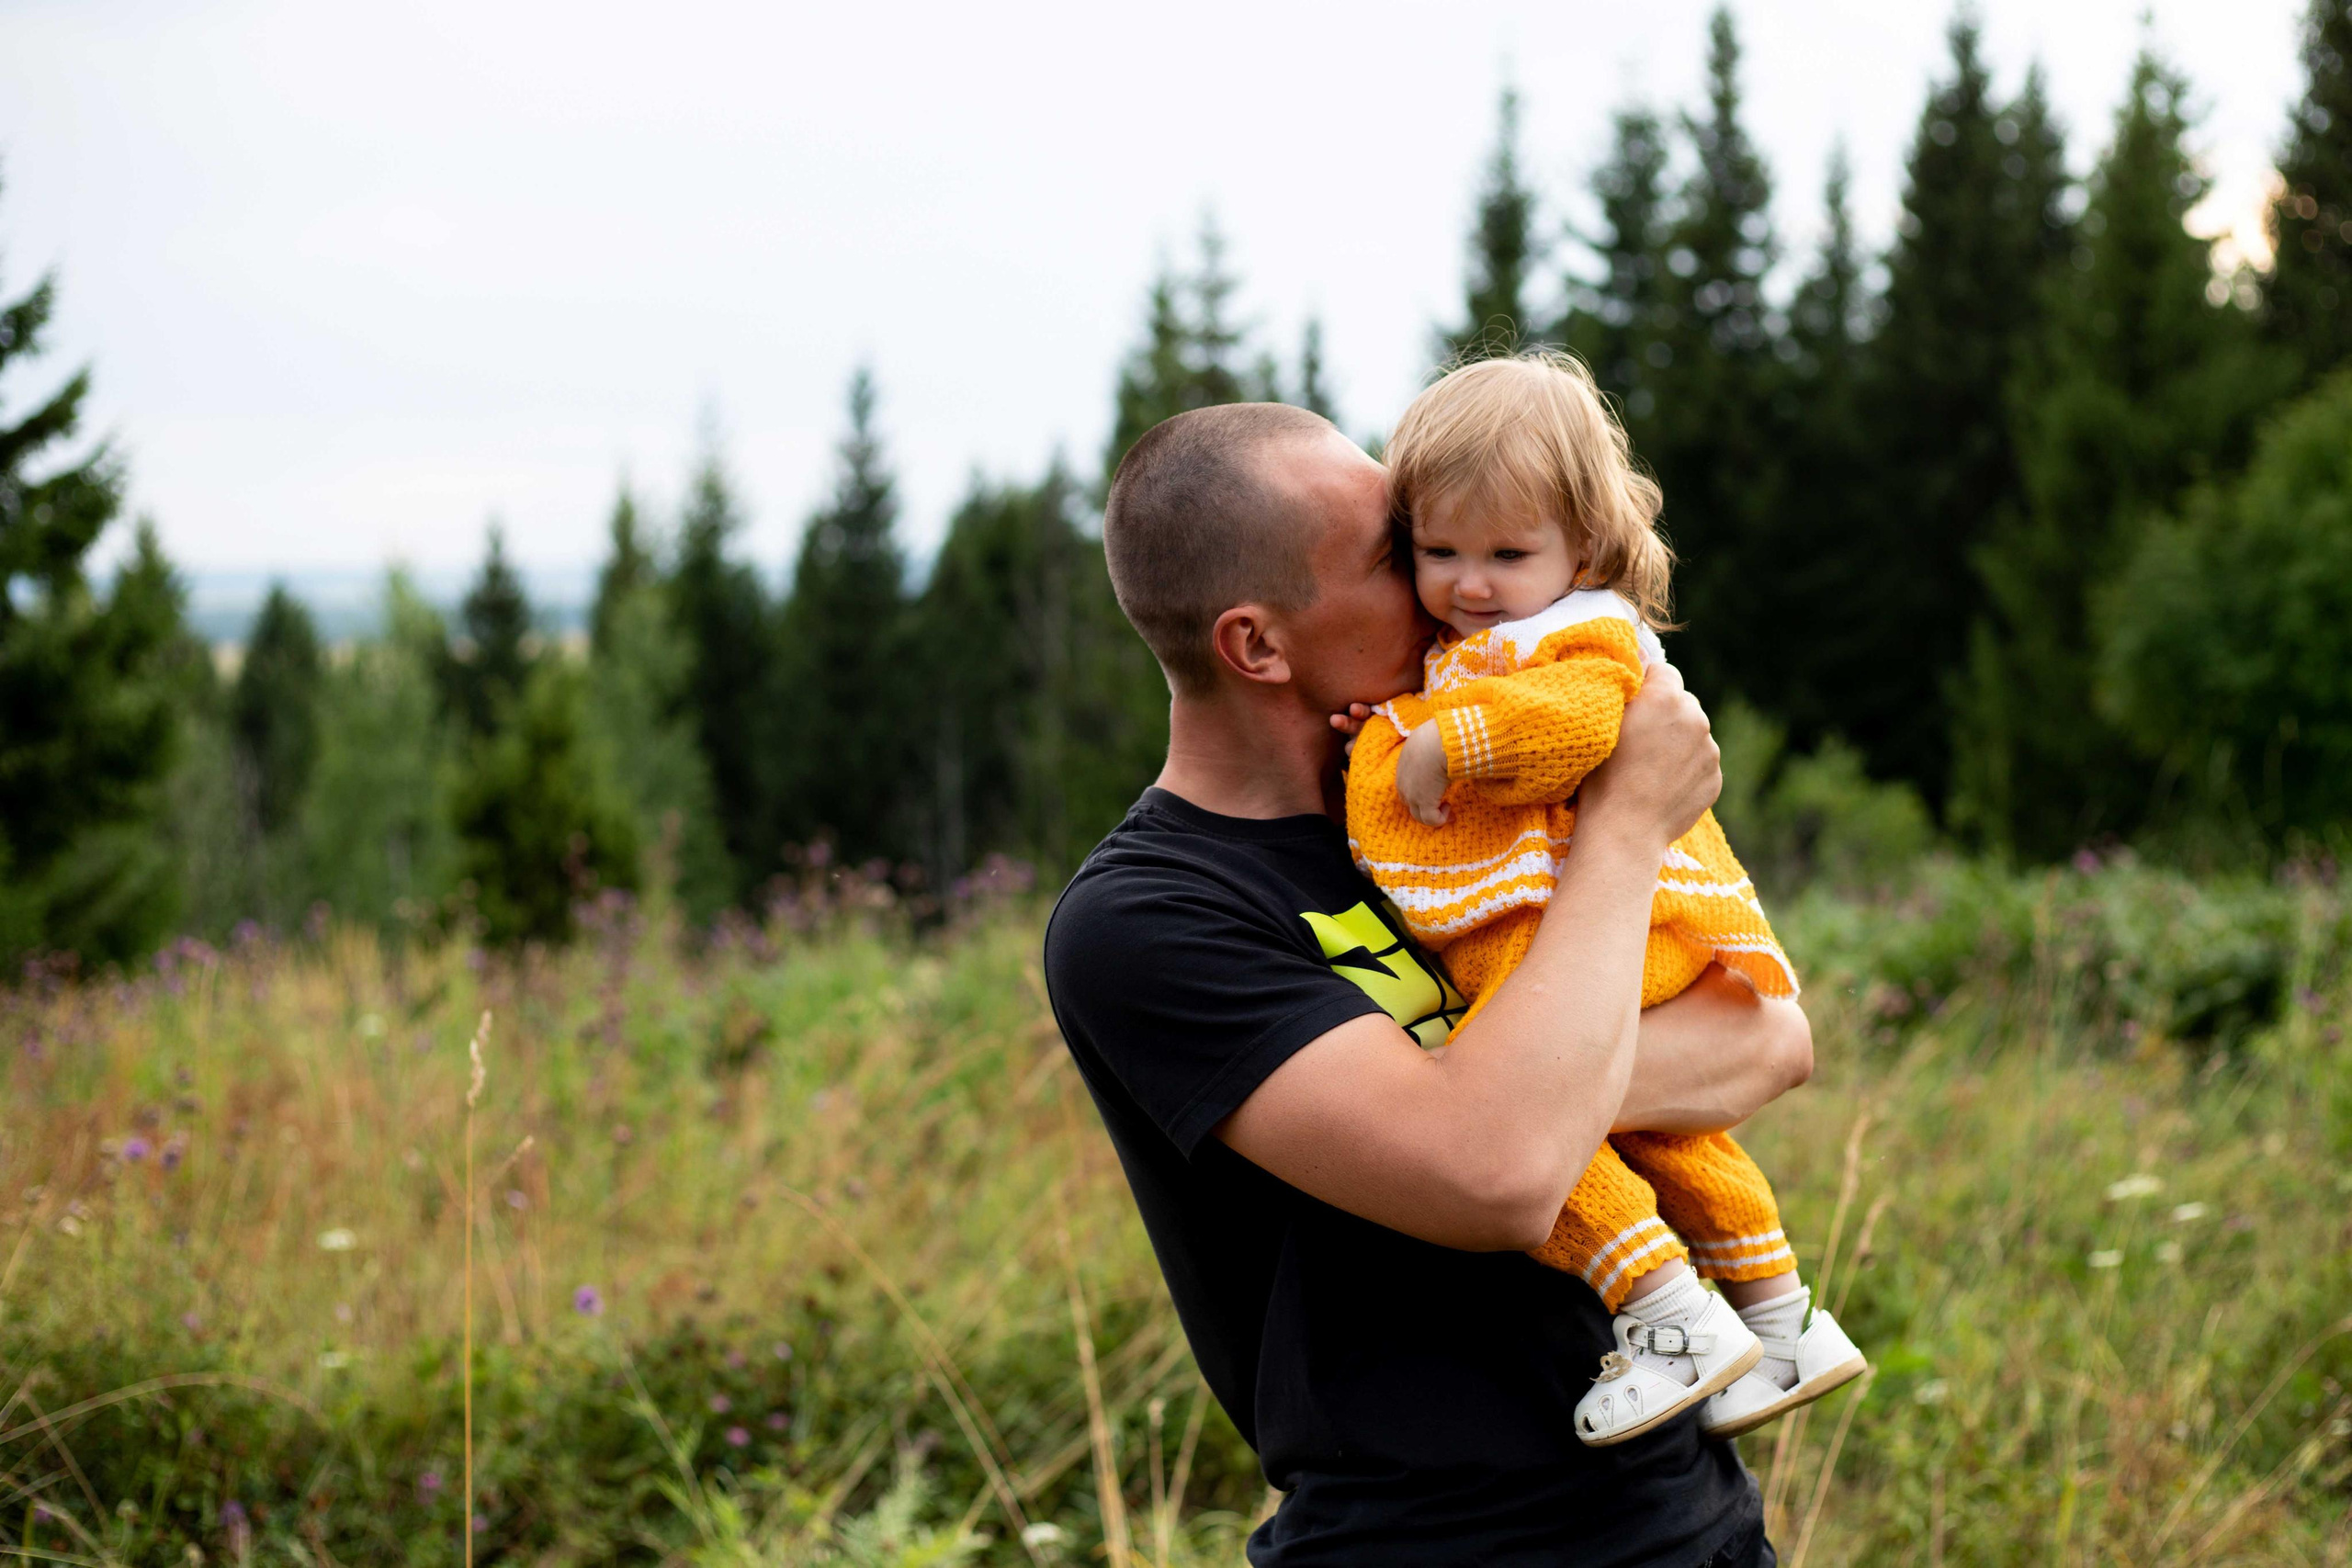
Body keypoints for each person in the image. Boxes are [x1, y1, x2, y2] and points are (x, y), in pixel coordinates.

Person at [1043, 400, 1815, 1566]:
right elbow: (1498, 1171)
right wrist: (1622, 829)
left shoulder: (1462, 799)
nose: (1452, 581)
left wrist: (1469, 1087)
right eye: (1400, 552)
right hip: (1432, 1544)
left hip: (1693, 1517)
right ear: (1256, 646)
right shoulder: (1149, 919)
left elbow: (1766, 1040)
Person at [1338, 352, 1864, 1451]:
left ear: (1584, 545)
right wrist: (1395, 728)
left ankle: (1667, 1316)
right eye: (1437, 551)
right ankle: (1780, 1318)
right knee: (1671, 1137)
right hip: (1606, 939)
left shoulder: (1580, 632)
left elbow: (1570, 725)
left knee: (1527, 1111)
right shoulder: (1485, 642)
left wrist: (1456, 740)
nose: (1469, 583)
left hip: (1565, 940)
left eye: (1505, 553)